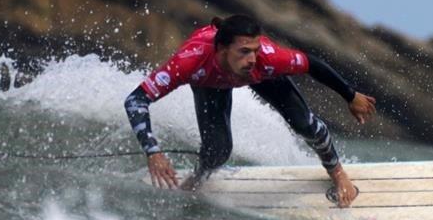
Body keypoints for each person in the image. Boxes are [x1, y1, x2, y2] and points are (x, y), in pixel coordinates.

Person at [124, 15, 376, 207]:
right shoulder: (190, 62)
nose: (252, 58)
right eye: (244, 51)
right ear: (221, 49)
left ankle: (338, 173)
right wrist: (153, 152)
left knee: (305, 124)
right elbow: (135, 100)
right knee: (218, 152)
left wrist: (350, 95)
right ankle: (198, 178)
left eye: (255, 50)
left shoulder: (266, 59)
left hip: (263, 79)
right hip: (211, 84)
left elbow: (311, 63)